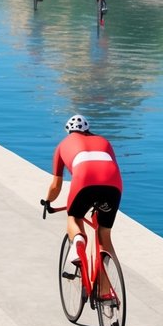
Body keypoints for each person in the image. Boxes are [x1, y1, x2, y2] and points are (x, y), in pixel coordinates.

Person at [44, 114, 122, 300]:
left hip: (84, 182)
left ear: (68, 131)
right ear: (88, 130)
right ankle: (104, 291)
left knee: (74, 217)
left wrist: (48, 201)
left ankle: (78, 240)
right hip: (113, 186)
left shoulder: (63, 145)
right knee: (105, 237)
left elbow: (56, 185)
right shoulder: (104, 141)